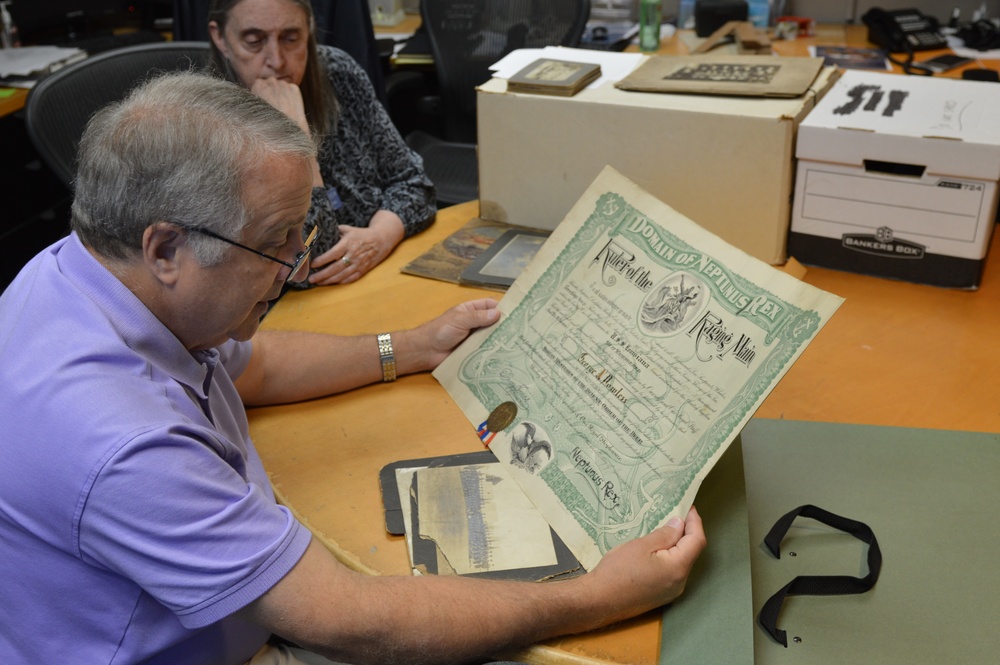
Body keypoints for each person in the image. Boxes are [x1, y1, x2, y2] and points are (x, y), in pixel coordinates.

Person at [0, 72, 705, 665]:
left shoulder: (85, 271)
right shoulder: (121, 438)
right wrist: (599, 595)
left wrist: (411, 346)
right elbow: (351, 616)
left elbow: (258, 365)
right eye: (277, 240)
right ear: (165, 248)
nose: (295, 265)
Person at [207, 0, 436, 286]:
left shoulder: (338, 72)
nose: (277, 61)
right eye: (254, 41)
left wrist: (380, 236)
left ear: (310, 29)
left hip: (384, 268)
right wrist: (297, 140)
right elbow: (308, 264)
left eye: (291, 39)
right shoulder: (208, 128)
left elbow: (414, 183)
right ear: (221, 38)